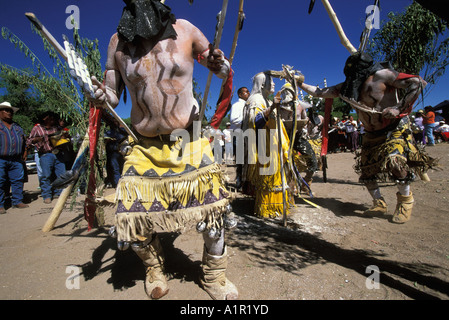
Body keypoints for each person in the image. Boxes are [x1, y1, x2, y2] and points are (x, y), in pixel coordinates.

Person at [88, 0, 237, 300]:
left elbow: (219, 68)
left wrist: (221, 65)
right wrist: (100, 95)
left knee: (213, 215)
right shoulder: (117, 42)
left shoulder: (185, 30)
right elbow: (113, 95)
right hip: (144, 149)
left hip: (189, 143)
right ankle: (154, 267)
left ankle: (214, 275)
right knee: (130, 217)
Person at [298, 51, 434, 224]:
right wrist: (299, 83)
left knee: (395, 162)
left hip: (392, 129)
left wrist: (398, 108)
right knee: (367, 171)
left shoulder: (383, 75)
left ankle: (405, 202)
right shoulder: (348, 86)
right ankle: (378, 203)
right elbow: (319, 92)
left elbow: (418, 82)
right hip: (370, 134)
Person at [242, 72, 293, 218]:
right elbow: (255, 122)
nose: (274, 84)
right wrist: (272, 108)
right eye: (271, 81)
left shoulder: (264, 99)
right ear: (263, 84)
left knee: (274, 175)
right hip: (264, 145)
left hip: (271, 143)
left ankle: (274, 206)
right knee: (268, 176)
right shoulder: (256, 100)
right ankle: (266, 208)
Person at [278, 82, 318, 196]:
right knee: (286, 162)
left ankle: (307, 183)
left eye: (290, 91)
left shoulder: (300, 105)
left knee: (312, 159)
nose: (287, 94)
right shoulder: (278, 107)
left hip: (298, 137)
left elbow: (305, 120)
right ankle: (290, 186)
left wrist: (305, 125)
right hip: (284, 139)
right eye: (285, 92)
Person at [26, 111, 66, 204]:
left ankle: (59, 193)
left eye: (53, 117)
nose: (52, 119)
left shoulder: (57, 128)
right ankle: (47, 195)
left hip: (58, 153)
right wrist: (37, 139)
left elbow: (64, 137)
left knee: (61, 174)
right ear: (44, 118)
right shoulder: (37, 128)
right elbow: (28, 141)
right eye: (50, 117)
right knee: (46, 175)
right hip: (45, 154)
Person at [0, 101, 29, 214]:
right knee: (0, 181)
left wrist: (25, 151)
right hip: (1, 158)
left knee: (18, 180)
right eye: (6, 110)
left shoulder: (17, 126)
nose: (9, 113)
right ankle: (0, 205)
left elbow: (24, 140)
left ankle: (17, 201)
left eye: (11, 111)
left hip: (16, 159)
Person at [229, 87, 249, 188]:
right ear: (240, 95)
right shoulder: (237, 105)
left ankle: (246, 181)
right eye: (246, 92)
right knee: (240, 159)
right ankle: (239, 181)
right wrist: (247, 119)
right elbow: (233, 120)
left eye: (248, 92)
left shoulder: (249, 105)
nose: (248, 94)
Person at [104, 119, 127, 188]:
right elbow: (104, 140)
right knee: (115, 169)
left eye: (116, 122)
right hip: (112, 153)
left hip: (121, 153)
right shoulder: (108, 132)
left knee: (123, 168)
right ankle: (118, 185)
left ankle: (124, 184)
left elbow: (127, 137)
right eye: (113, 122)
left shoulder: (122, 131)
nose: (115, 123)